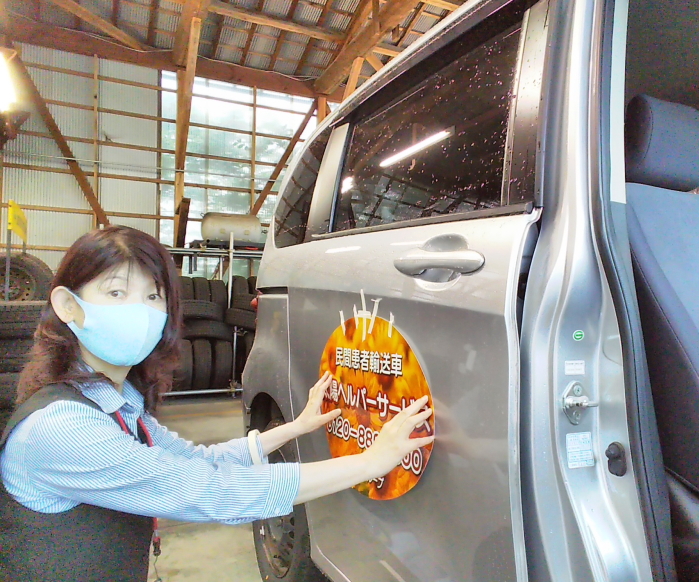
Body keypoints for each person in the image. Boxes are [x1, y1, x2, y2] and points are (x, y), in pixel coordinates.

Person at [0, 226, 433, 582]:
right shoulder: (60, 429)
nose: (142, 311)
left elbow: (197, 460)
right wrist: (373, 461)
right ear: (67, 306)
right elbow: (210, 491)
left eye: (153, 296)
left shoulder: (116, 403)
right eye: (116, 293)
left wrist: (296, 427)